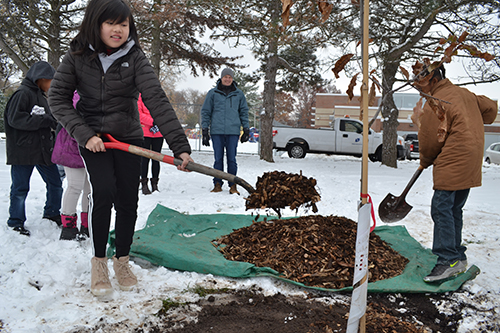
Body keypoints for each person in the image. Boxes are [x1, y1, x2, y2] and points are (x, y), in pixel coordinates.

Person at [48, 0, 193, 296]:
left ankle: (122, 260)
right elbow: (58, 99)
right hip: (95, 139)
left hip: (128, 137)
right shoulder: (77, 55)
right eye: (111, 23)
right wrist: (85, 134)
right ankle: (99, 262)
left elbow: (156, 99)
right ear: (96, 24)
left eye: (124, 24)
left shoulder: (135, 56)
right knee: (103, 191)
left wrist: (179, 145)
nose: (118, 30)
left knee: (128, 198)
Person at [411, 63, 497, 283]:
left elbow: (430, 143)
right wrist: (475, 117)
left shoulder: (435, 103)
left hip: (453, 159)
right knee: (453, 208)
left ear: (434, 80)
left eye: (421, 83)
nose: (420, 89)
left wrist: (425, 158)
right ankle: (457, 256)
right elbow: (491, 108)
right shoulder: (464, 94)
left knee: (441, 208)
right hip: (471, 158)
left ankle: (447, 260)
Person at [4, 61, 63, 236]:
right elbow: (15, 119)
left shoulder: (40, 96)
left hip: (43, 151)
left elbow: (44, 118)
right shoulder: (22, 94)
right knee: (20, 188)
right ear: (41, 79)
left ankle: (52, 212)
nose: (52, 84)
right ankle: (16, 221)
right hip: (23, 152)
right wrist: (44, 120)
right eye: (50, 80)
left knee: (55, 183)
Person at [201, 68, 250, 195]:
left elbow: (244, 112)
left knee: (231, 159)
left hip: (233, 132)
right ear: (221, 78)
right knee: (218, 159)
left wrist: (246, 129)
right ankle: (217, 183)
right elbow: (206, 112)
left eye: (230, 77)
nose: (227, 79)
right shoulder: (213, 93)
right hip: (217, 131)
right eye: (225, 77)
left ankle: (233, 184)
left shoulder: (239, 94)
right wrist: (205, 130)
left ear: (232, 79)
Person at [51, 92, 91, 241]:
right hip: (72, 146)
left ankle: (87, 225)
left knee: (90, 188)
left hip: (92, 148)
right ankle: (68, 226)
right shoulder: (74, 95)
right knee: (75, 186)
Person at [138, 94, 163, 195]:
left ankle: (155, 183)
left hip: (158, 133)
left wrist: (159, 122)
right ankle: (144, 183)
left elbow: (163, 112)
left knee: (157, 159)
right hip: (145, 133)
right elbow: (139, 114)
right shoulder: (139, 97)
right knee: (144, 159)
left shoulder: (159, 97)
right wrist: (153, 121)